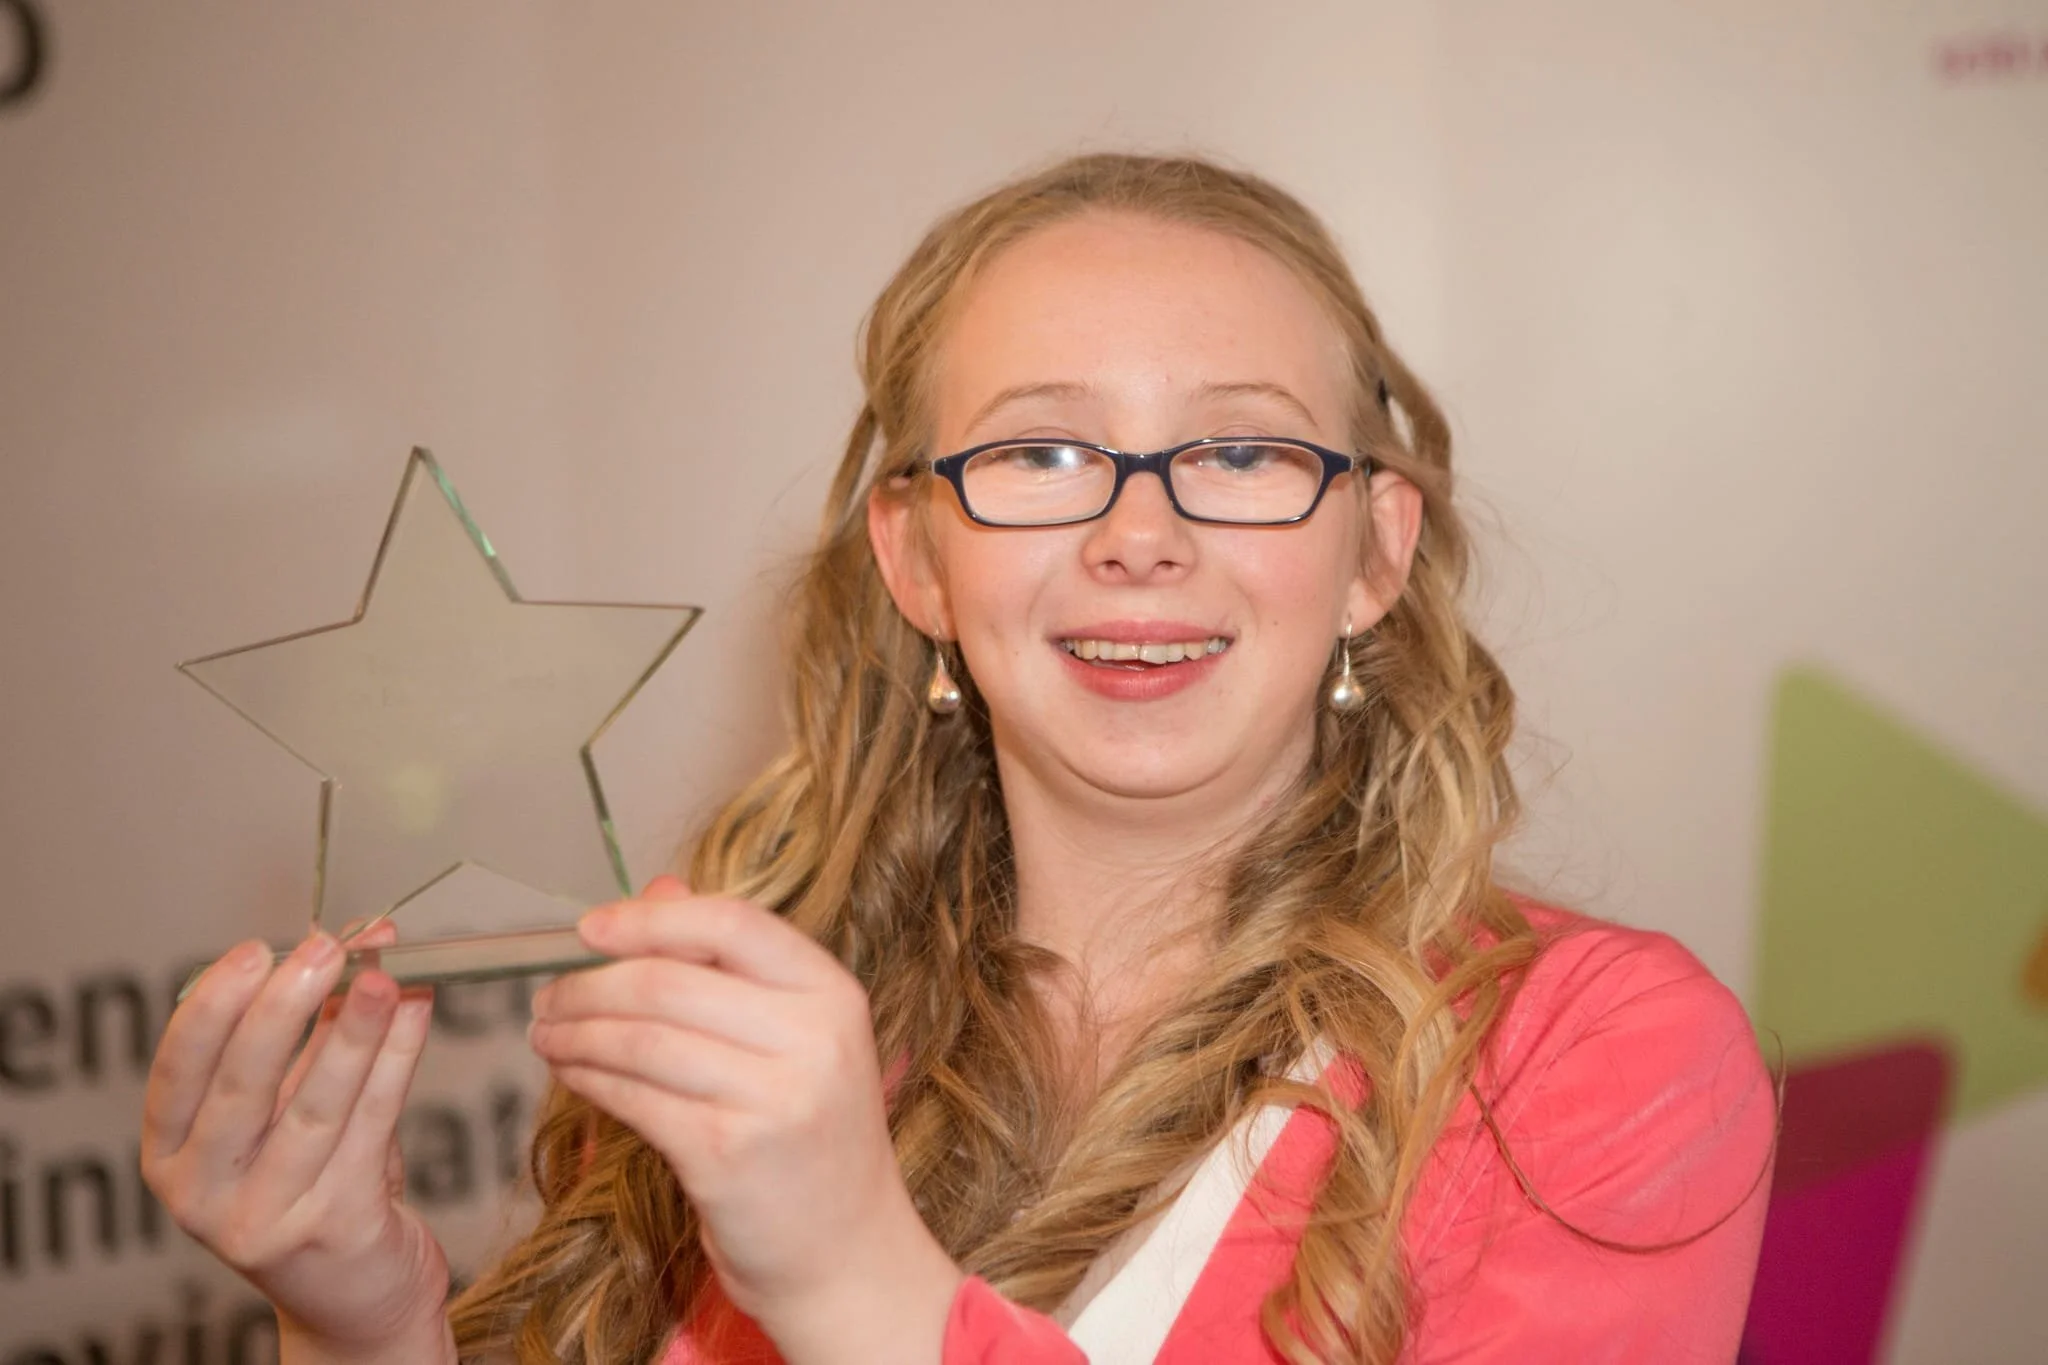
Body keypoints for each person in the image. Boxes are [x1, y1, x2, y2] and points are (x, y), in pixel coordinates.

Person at [140, 153, 1776, 1365]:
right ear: (916, 559)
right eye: (1042, 451)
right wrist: (360, 1320)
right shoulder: (766, 1021)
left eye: (1239, 448)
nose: (1140, 534)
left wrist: (853, 1279)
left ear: (1376, 552)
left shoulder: (1592, 1064)